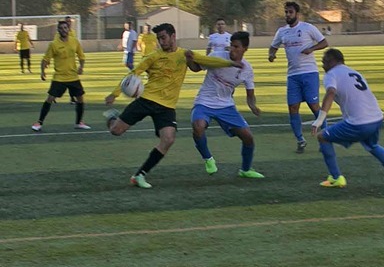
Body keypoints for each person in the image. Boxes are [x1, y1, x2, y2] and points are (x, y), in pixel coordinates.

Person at [103, 23, 241, 189]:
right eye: (159, 39)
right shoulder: (153, 57)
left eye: (163, 37)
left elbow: (208, 60)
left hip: (166, 107)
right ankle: (112, 119)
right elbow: (133, 73)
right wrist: (114, 93)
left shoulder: (184, 55)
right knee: (116, 131)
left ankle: (140, 175)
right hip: (146, 100)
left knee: (168, 139)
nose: (161, 41)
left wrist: (231, 64)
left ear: (173, 36)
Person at [310, 48, 384, 188]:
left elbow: (331, 92)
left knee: (323, 137)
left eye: (324, 62)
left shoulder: (331, 74)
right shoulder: (354, 72)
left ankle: (336, 178)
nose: (322, 65)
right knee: (372, 145)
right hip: (376, 118)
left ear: (332, 61)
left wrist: (320, 119)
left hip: (359, 123)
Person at [187, 31, 264, 178]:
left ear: (245, 49)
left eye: (236, 47)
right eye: (231, 46)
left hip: (226, 106)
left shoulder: (247, 69)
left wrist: (253, 106)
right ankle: (208, 159)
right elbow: (196, 68)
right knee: (198, 127)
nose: (232, 50)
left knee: (248, 137)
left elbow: (250, 95)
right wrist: (190, 60)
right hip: (204, 101)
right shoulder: (216, 56)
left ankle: (246, 170)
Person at [269, 1, 328, 153]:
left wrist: (311, 49)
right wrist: (271, 54)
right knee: (293, 108)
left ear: (297, 14)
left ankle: (326, 137)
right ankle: (300, 140)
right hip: (293, 75)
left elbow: (324, 42)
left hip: (309, 73)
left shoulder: (307, 28)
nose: (287, 15)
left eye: (290, 12)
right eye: (286, 12)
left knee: (313, 105)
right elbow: (273, 46)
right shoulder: (282, 31)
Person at [32, 20, 91, 132]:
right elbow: (45, 59)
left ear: (68, 29)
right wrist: (42, 71)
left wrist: (81, 67)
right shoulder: (54, 44)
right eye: (61, 28)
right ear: (58, 30)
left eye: (65, 28)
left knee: (80, 98)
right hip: (59, 77)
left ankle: (78, 123)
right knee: (50, 98)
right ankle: (39, 123)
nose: (64, 30)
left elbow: (81, 56)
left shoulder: (74, 41)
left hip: (73, 76)